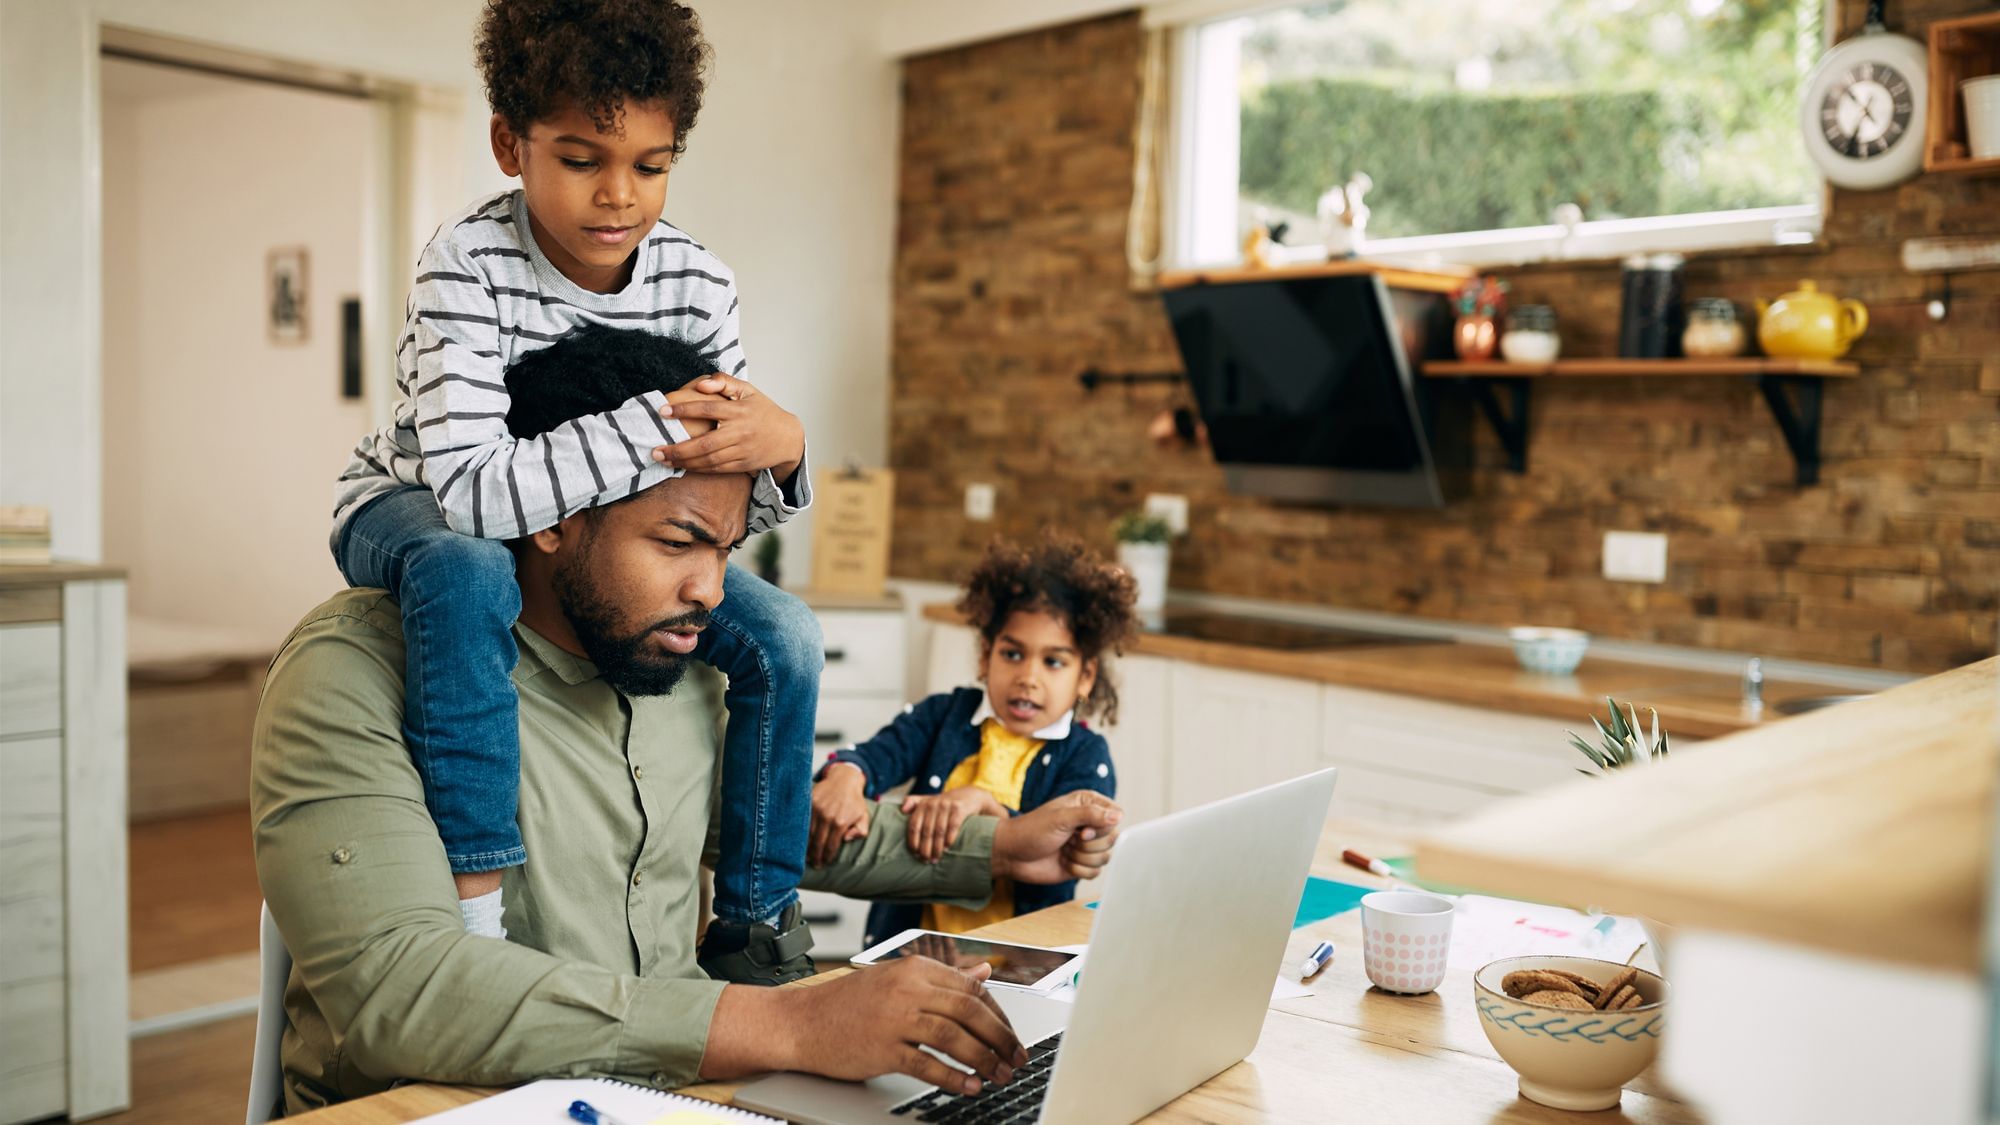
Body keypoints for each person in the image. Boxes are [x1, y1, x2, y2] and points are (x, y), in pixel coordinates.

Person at [254, 325, 1125, 1114]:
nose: (710, 589)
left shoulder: (680, 654)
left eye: (725, 550)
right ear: (550, 514)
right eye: (676, 543)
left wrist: (1000, 851)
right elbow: (402, 993)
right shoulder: (354, 671)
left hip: (681, 1100)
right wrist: (790, 1022)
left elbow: (766, 828)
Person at [329, 0, 820, 983]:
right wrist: (659, 426)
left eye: (650, 162)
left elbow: (712, 508)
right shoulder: (464, 266)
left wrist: (781, 453)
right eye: (581, 158)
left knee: (786, 637)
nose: (619, 197)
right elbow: (472, 492)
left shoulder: (696, 282)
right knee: (468, 575)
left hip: (567, 525)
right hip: (412, 495)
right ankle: (477, 913)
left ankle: (757, 917)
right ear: (510, 145)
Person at [809, 536, 1140, 947]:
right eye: (1012, 654)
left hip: (1017, 968)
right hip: (914, 952)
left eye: (1053, 661)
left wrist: (985, 805)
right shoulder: (942, 716)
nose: (1029, 677)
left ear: (1085, 676)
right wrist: (846, 773)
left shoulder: (1087, 756)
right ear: (986, 656)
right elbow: (876, 755)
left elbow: (1058, 850)